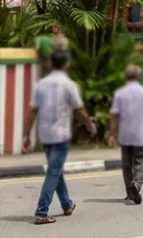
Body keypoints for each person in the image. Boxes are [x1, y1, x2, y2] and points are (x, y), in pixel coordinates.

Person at [22, 50, 96, 225]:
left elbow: (33, 111)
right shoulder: (69, 85)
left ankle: (67, 204)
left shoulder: (40, 84)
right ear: (66, 65)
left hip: (46, 136)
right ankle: (41, 211)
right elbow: (79, 111)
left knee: (56, 170)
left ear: (50, 64)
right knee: (54, 171)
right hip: (61, 136)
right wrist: (89, 125)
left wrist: (26, 134)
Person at [109, 65, 143, 205]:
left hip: (125, 135)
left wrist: (112, 134)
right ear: (137, 76)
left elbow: (114, 116)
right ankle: (136, 184)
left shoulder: (120, 93)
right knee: (140, 161)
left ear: (125, 76)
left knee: (127, 165)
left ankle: (130, 193)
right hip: (141, 134)